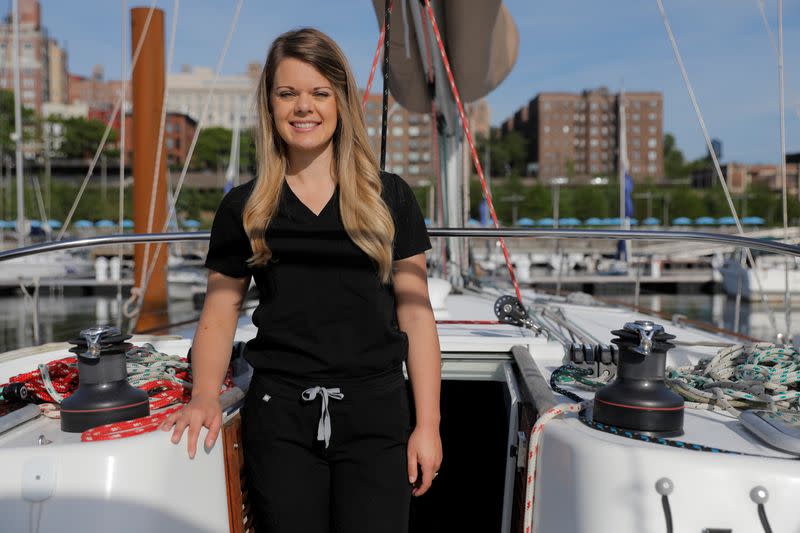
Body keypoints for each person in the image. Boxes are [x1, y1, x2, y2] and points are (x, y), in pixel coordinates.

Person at [161, 27, 442, 532]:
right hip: (281, 416)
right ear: (270, 105)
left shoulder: (390, 198)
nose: (302, 107)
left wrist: (428, 425)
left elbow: (417, 320)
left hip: (376, 414)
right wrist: (203, 393)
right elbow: (220, 312)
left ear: (341, 103)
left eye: (319, 93)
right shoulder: (243, 208)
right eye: (287, 93)